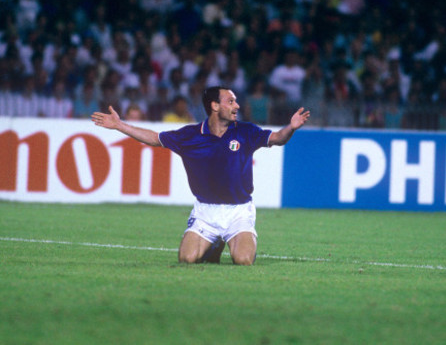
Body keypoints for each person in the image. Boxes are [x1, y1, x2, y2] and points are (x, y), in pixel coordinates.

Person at [91, 86, 310, 265]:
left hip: (239, 211)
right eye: (231, 101)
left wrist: (291, 127)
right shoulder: (191, 135)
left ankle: (230, 239)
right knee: (187, 259)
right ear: (215, 106)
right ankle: (215, 243)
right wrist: (119, 125)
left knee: (243, 260)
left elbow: (278, 138)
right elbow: (155, 138)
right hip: (205, 211)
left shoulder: (245, 131)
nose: (237, 106)